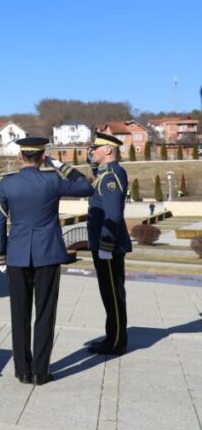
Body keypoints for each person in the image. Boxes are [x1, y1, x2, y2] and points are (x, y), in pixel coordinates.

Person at [0, 137, 94, 385]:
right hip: (47, 253)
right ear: (42, 157)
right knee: (45, 313)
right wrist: (58, 164)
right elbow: (85, 186)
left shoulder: (6, 183)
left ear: (20, 156)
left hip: (17, 255)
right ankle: (40, 371)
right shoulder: (52, 180)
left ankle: (22, 371)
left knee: (19, 314)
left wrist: (1, 254)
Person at [86, 132, 132, 356]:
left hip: (109, 248)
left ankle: (115, 343)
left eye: (95, 148)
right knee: (110, 293)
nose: (91, 151)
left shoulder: (111, 177)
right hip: (106, 246)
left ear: (107, 150)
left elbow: (112, 214)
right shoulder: (105, 173)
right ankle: (112, 336)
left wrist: (105, 246)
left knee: (113, 294)